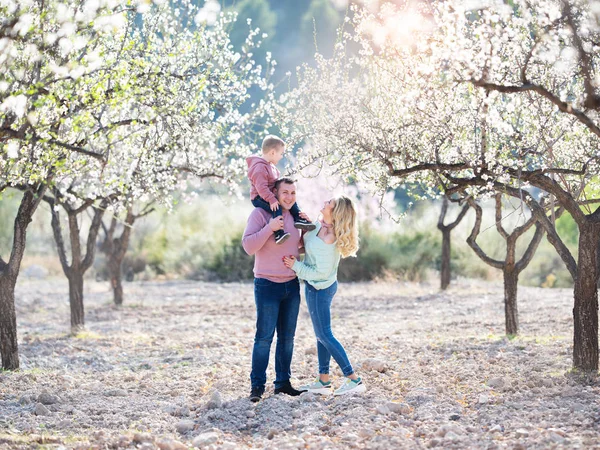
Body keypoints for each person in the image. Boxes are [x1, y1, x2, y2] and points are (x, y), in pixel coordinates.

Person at [283, 195, 366, 396]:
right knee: (320, 335)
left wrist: (296, 266)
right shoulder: (318, 226)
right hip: (313, 286)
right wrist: (305, 226)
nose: (325, 201)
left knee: (324, 334)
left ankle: (353, 379)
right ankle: (323, 380)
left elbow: (320, 272)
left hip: (321, 288)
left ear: (335, 212)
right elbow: (306, 246)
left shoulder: (330, 239)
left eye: (330, 203)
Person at [242, 177, 306, 402]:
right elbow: (248, 246)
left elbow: (298, 247)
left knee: (287, 339)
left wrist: (308, 234)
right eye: (285, 192)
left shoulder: (296, 217)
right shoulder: (260, 215)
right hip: (267, 285)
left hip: (291, 285)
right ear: (275, 194)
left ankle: (283, 384)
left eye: (293, 193)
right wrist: (269, 228)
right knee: (263, 338)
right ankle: (257, 386)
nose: (289, 197)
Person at [247, 135, 315, 245]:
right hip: (259, 197)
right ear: (273, 152)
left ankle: (299, 219)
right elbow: (261, 188)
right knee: (277, 207)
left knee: (290, 200)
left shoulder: (271, 167)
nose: (281, 156)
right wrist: (272, 200)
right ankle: (278, 233)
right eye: (281, 154)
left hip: (268, 195)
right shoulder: (259, 168)